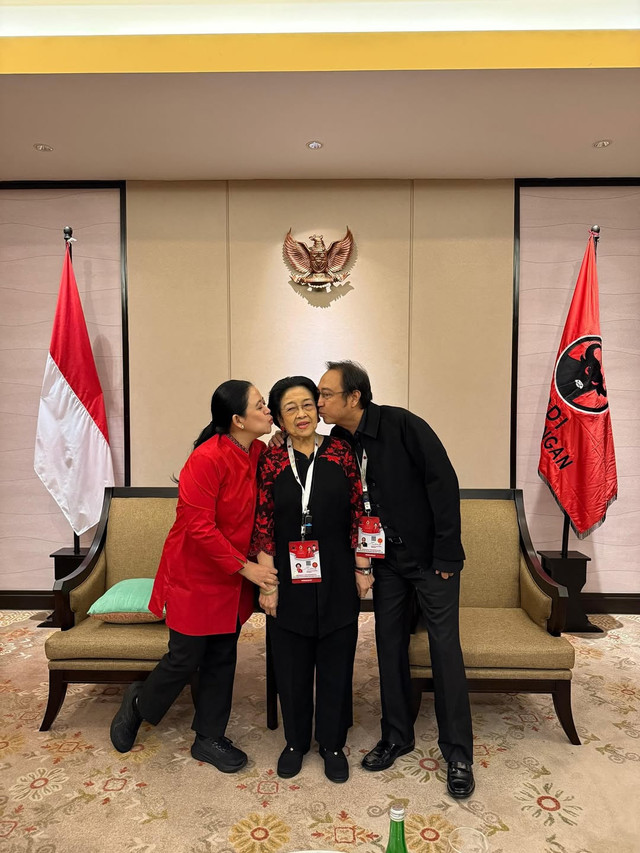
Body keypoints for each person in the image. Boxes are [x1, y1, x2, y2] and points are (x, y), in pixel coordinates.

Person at [317, 360, 475, 798]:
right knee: (388, 648)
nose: (320, 401)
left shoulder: (404, 425)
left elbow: (443, 484)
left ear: (355, 397)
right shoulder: (338, 441)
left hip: (429, 560)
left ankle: (458, 753)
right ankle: (397, 737)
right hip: (385, 563)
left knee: (444, 652)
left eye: (327, 394)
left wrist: (447, 552)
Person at [110, 380, 278, 772]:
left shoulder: (258, 451)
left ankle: (209, 737)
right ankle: (139, 701)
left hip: (231, 576)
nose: (268, 409)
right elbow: (198, 528)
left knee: (223, 656)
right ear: (237, 419)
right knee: (184, 657)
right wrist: (247, 567)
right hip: (196, 573)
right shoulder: (206, 459)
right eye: (260, 405)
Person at [253, 376, 371, 783]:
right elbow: (263, 523)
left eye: (308, 404)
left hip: (337, 571)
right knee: (291, 662)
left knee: (338, 659)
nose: (302, 414)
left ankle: (333, 743)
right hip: (288, 573)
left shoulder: (340, 451)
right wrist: (268, 585)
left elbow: (359, 510)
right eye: (291, 408)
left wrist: (363, 567)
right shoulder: (271, 459)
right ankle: (295, 741)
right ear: (279, 418)